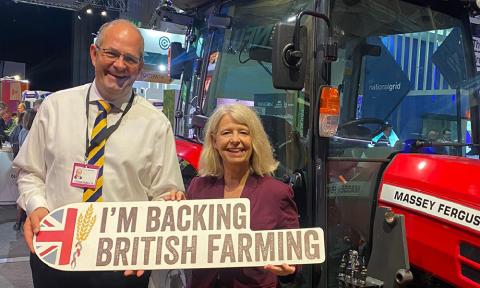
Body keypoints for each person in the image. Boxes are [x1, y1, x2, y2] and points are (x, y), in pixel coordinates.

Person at [13, 19, 185, 288]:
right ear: (94, 54)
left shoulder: (156, 124)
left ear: (139, 68)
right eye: (112, 53)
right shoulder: (55, 107)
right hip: (55, 254)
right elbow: (30, 171)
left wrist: (151, 242)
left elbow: (166, 192)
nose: (119, 64)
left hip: (122, 263)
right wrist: (37, 207)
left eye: (130, 58)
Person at [186, 104, 299, 288]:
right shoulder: (198, 188)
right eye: (227, 133)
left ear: (254, 140)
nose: (235, 140)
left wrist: (288, 270)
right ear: (214, 141)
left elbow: (294, 256)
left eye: (243, 132)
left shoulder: (277, 193)